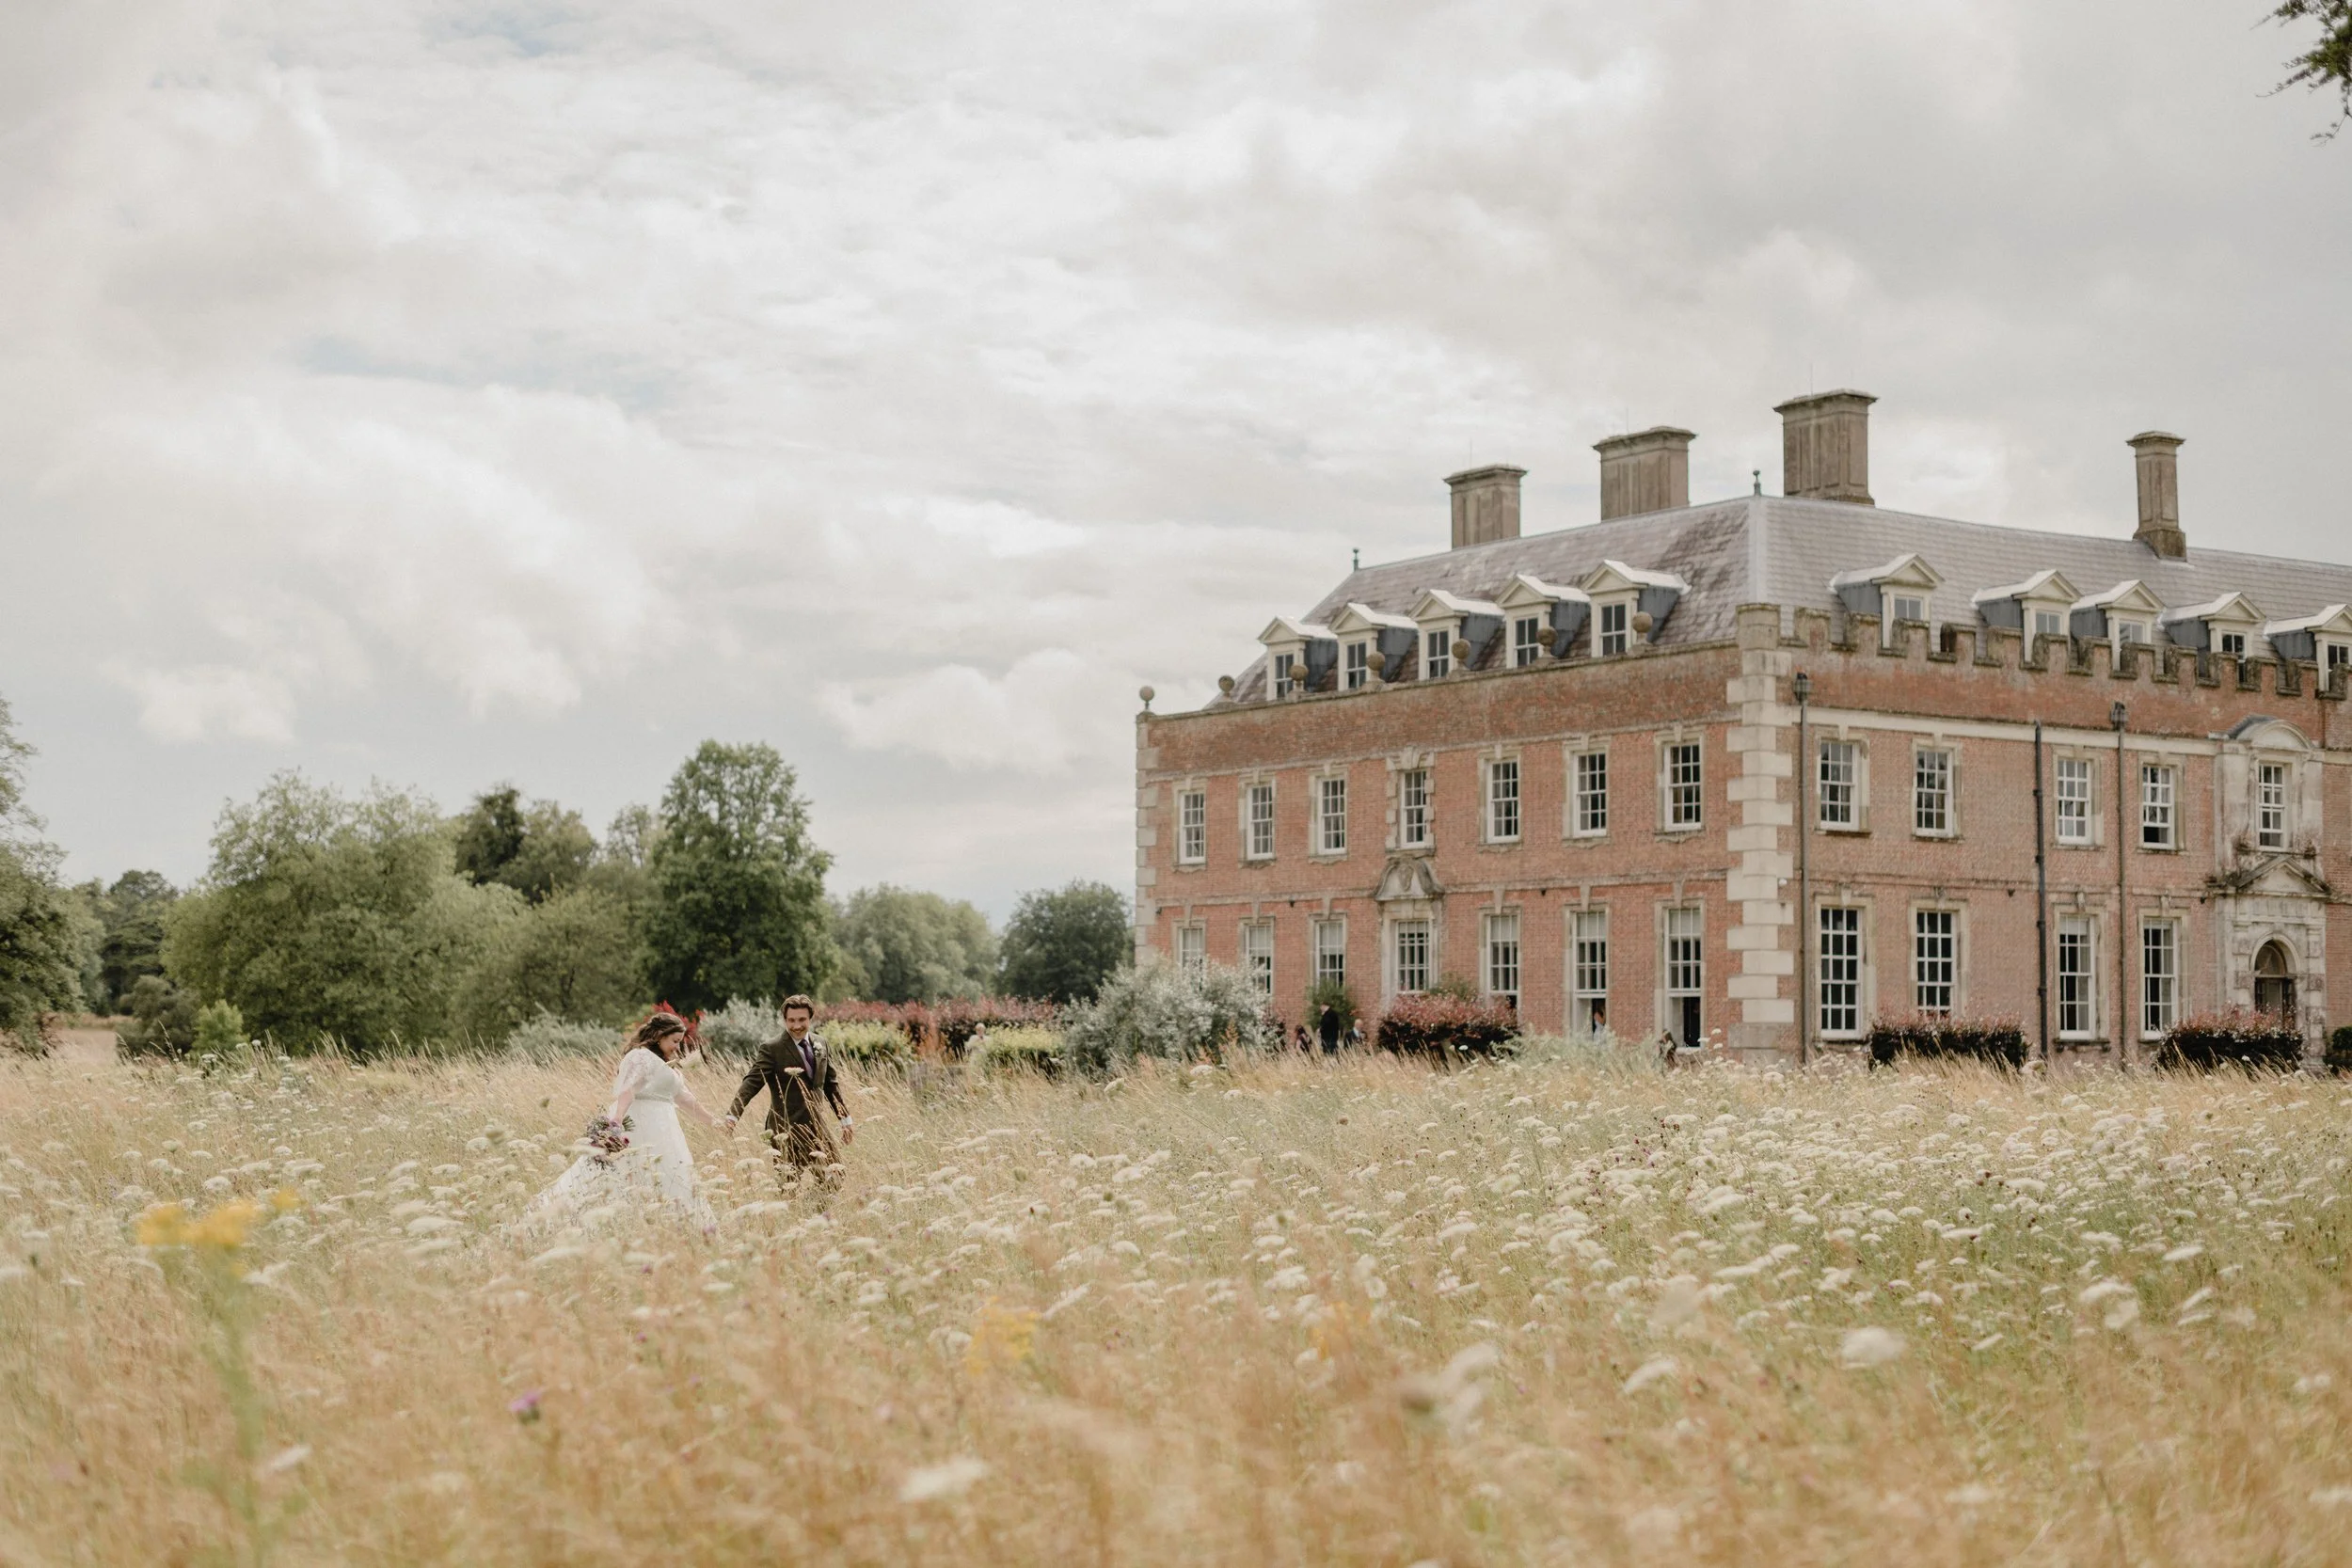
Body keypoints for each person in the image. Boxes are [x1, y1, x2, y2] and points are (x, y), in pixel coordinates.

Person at [520, 1008, 721, 1231]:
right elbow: (628, 1091)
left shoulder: (666, 1065)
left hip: (666, 1133)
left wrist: (715, 1123)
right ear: (660, 1035)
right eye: (674, 1041)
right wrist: (615, 1121)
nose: (677, 1047)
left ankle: (668, 1230)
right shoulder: (641, 1056)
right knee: (624, 1175)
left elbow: (685, 1100)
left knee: (670, 1177)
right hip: (641, 1126)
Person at [725, 994, 854, 1186]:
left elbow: (830, 1084)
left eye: (801, 1020)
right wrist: (732, 1117)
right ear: (785, 1020)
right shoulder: (772, 1048)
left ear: (810, 1018)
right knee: (788, 1187)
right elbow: (751, 1083)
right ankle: (793, 1214)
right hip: (784, 1129)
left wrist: (845, 1119)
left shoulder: (821, 1044)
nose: (796, 1026)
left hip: (816, 1127)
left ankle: (816, 1214)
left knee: (834, 1177)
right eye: (791, 1020)